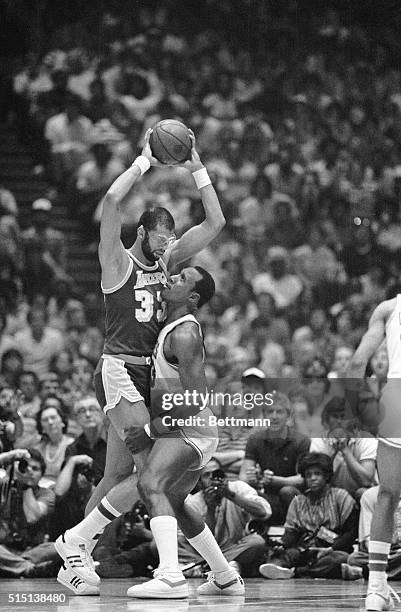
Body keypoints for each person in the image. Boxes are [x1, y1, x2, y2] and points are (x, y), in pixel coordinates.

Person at [54, 127, 225, 593]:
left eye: (172, 237)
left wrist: (197, 169)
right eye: (161, 236)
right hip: (118, 369)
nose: (168, 244)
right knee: (149, 474)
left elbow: (214, 226)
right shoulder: (118, 263)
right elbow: (110, 204)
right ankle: (81, 547)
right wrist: (144, 163)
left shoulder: (169, 264)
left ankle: (76, 559)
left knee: (117, 474)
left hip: (147, 377)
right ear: (144, 232)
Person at [347, 294, 401, 610]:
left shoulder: (388, 308)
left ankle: (376, 590)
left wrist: (356, 411)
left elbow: (356, 363)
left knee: (387, 495)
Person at [259, 452, 358, 581]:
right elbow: (291, 533)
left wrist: (331, 548)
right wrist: (282, 544)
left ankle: (297, 572)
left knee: (339, 560)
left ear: (327, 476)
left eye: (317, 474)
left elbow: (351, 533)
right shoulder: (298, 501)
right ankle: (282, 568)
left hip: (332, 549)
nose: (313, 478)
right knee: (284, 555)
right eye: (308, 475)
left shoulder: (341, 497)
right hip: (304, 549)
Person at [239, 392, 310, 523]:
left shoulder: (301, 441)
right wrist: (252, 478)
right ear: (264, 415)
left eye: (279, 412)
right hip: (268, 497)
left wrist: (276, 480)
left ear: (288, 416)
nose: (274, 417)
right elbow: (243, 475)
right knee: (243, 493)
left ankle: (297, 532)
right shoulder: (255, 440)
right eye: (270, 412)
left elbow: (303, 479)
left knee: (287, 491)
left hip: (295, 498)